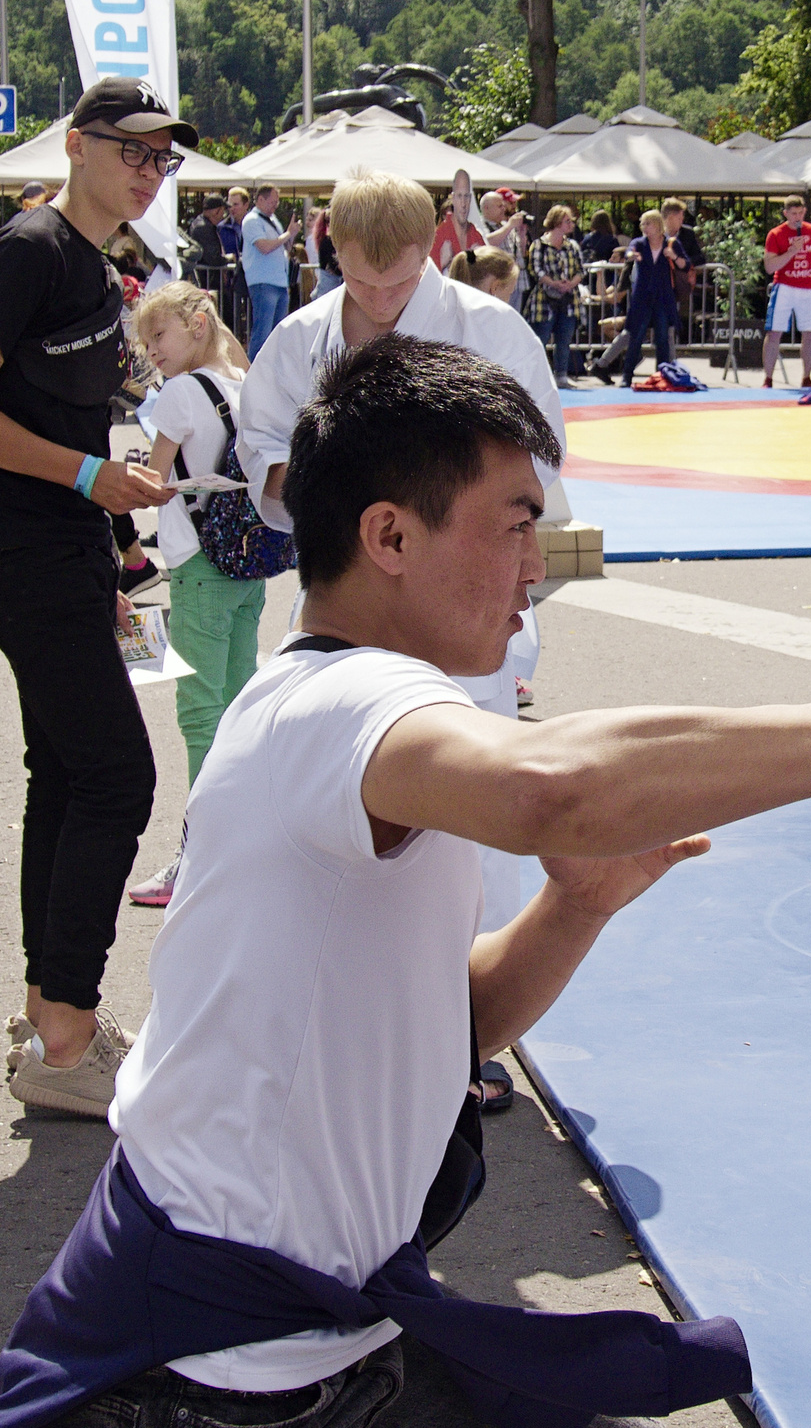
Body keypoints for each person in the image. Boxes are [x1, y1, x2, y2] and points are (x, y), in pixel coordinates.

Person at [0, 332, 811, 1428]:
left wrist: (576, 906)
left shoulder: (388, 718)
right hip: (192, 1390)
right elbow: (555, 786)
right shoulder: (335, 704)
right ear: (388, 537)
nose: (531, 567)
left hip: (335, 1343)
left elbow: (449, 1033)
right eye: (510, 524)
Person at [0, 77, 184, 1118]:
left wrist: (112, 538)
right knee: (117, 777)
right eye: (133, 150)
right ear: (78, 146)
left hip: (62, 543)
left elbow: (79, 430)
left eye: (162, 157)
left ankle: (50, 1015)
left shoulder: (92, 259)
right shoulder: (30, 250)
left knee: (69, 774)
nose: (148, 170)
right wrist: (84, 485)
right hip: (18, 543)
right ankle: (66, 1036)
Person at [238, 168, 571, 927]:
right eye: (361, 281)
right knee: (338, 791)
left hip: (457, 594)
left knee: (468, 803)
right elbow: (258, 445)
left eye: (399, 282)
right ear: (333, 252)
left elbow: (540, 463)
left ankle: (474, 1002)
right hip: (348, 596)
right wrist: (342, 496)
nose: (381, 299)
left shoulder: (490, 332)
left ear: (430, 249)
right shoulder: (299, 340)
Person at [123, 280, 262, 909]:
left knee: (198, 712)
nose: (152, 349)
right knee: (235, 707)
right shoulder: (241, 381)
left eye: (159, 334)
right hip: (245, 564)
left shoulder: (179, 393)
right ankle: (241, 844)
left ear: (197, 325)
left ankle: (200, 855)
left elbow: (150, 482)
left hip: (197, 565)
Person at [590, 208, 682, 386]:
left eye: (648, 223)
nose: (644, 227)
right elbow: (629, 253)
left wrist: (675, 257)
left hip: (660, 298)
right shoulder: (639, 244)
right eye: (643, 224)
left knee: (660, 337)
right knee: (634, 336)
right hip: (640, 300)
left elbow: (684, 263)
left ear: (657, 225)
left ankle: (663, 375)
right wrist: (629, 256)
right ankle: (623, 373)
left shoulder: (670, 244)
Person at [761, 193, 811, 390]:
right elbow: (769, 266)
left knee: (809, 332)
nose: (797, 217)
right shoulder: (776, 234)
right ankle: (768, 378)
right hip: (785, 285)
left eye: (800, 213)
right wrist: (791, 252)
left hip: (807, 287)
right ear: (786, 213)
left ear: (804, 212)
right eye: (793, 213)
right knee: (774, 332)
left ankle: (807, 376)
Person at [529, 204, 587, 381]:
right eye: (567, 221)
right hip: (544, 299)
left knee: (564, 339)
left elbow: (580, 270)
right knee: (541, 338)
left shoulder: (573, 246)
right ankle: (537, 376)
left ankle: (561, 375)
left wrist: (570, 284)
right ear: (556, 222)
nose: (571, 224)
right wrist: (553, 283)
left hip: (569, 299)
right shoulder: (539, 245)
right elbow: (535, 269)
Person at [239, 183, 297, 351]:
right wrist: (287, 234)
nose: (275, 205)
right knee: (262, 333)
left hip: (280, 282)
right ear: (260, 200)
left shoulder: (273, 220)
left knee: (277, 333)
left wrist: (291, 234)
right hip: (263, 282)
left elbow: (284, 246)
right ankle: (255, 370)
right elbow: (264, 247)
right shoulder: (251, 220)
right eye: (273, 201)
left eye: (277, 202)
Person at [660, 197, 704, 322]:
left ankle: (679, 340)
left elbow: (700, 257)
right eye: (679, 217)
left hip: (681, 284)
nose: (682, 220)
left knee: (682, 318)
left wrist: (683, 262)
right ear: (671, 217)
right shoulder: (656, 234)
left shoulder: (688, 233)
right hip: (660, 284)